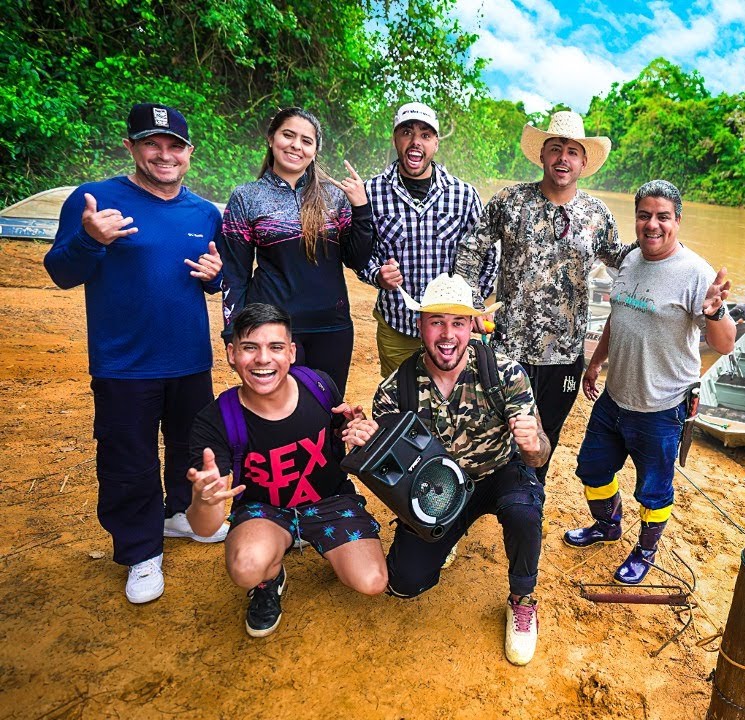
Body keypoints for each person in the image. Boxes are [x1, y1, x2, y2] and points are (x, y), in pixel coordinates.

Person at [44, 103, 228, 604]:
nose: (163, 155)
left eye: (174, 146)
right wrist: (88, 239)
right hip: (124, 364)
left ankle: (178, 517)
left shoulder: (204, 213)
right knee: (129, 461)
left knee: (192, 450)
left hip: (190, 359)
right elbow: (61, 272)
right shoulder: (95, 201)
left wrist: (218, 279)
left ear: (189, 153)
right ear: (131, 147)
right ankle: (141, 551)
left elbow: (218, 281)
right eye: (152, 143)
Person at [372, 273, 550, 666]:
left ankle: (522, 598)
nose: (447, 334)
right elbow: (391, 475)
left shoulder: (506, 375)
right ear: (419, 325)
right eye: (436, 321)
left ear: (473, 325)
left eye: (457, 322)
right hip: (438, 490)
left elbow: (539, 458)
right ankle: (448, 532)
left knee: (524, 511)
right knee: (404, 583)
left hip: (498, 473)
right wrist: (369, 445)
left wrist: (533, 444)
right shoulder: (394, 390)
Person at [565, 180, 734, 584]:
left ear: (677, 220)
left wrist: (714, 310)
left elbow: (724, 344)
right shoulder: (629, 260)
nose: (652, 225)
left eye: (662, 216)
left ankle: (645, 549)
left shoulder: (695, 273)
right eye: (644, 215)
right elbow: (618, 317)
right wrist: (596, 362)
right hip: (615, 397)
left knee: (654, 491)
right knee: (591, 469)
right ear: (636, 218)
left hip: (661, 407)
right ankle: (608, 526)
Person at [186, 303, 388, 637]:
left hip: (330, 501)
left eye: (275, 347)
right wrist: (205, 501)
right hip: (265, 511)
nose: (263, 359)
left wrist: (360, 430)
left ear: (292, 352)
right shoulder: (216, 420)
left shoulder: (319, 386)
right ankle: (269, 579)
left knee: (372, 580)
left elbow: (344, 433)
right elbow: (204, 527)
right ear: (231, 353)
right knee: (246, 567)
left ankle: (319, 541)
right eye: (250, 347)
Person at [454, 110, 633, 484]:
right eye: (555, 149)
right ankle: (486, 494)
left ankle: (530, 498)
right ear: (542, 155)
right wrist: (470, 301)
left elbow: (625, 264)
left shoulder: (597, 215)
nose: (562, 158)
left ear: (584, 161)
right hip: (507, 347)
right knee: (496, 428)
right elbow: (472, 251)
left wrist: (664, 251)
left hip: (564, 355)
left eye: (572, 151)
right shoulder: (510, 201)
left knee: (544, 437)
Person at [220, 107, 375, 396]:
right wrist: (233, 332)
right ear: (271, 138)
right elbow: (234, 272)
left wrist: (361, 207)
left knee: (328, 412)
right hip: (269, 328)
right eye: (288, 135)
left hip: (331, 327)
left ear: (315, 150)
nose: (296, 146)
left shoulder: (335, 196)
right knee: (275, 412)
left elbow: (357, 259)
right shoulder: (246, 197)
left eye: (306, 141)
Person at [359, 102, 496, 378]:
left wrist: (476, 305)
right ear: (395, 138)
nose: (415, 142)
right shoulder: (370, 192)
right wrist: (377, 275)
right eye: (407, 132)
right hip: (398, 325)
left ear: (435, 144)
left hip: (451, 330)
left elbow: (488, 254)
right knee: (400, 404)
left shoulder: (463, 195)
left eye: (425, 135)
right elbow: (359, 252)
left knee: (451, 403)